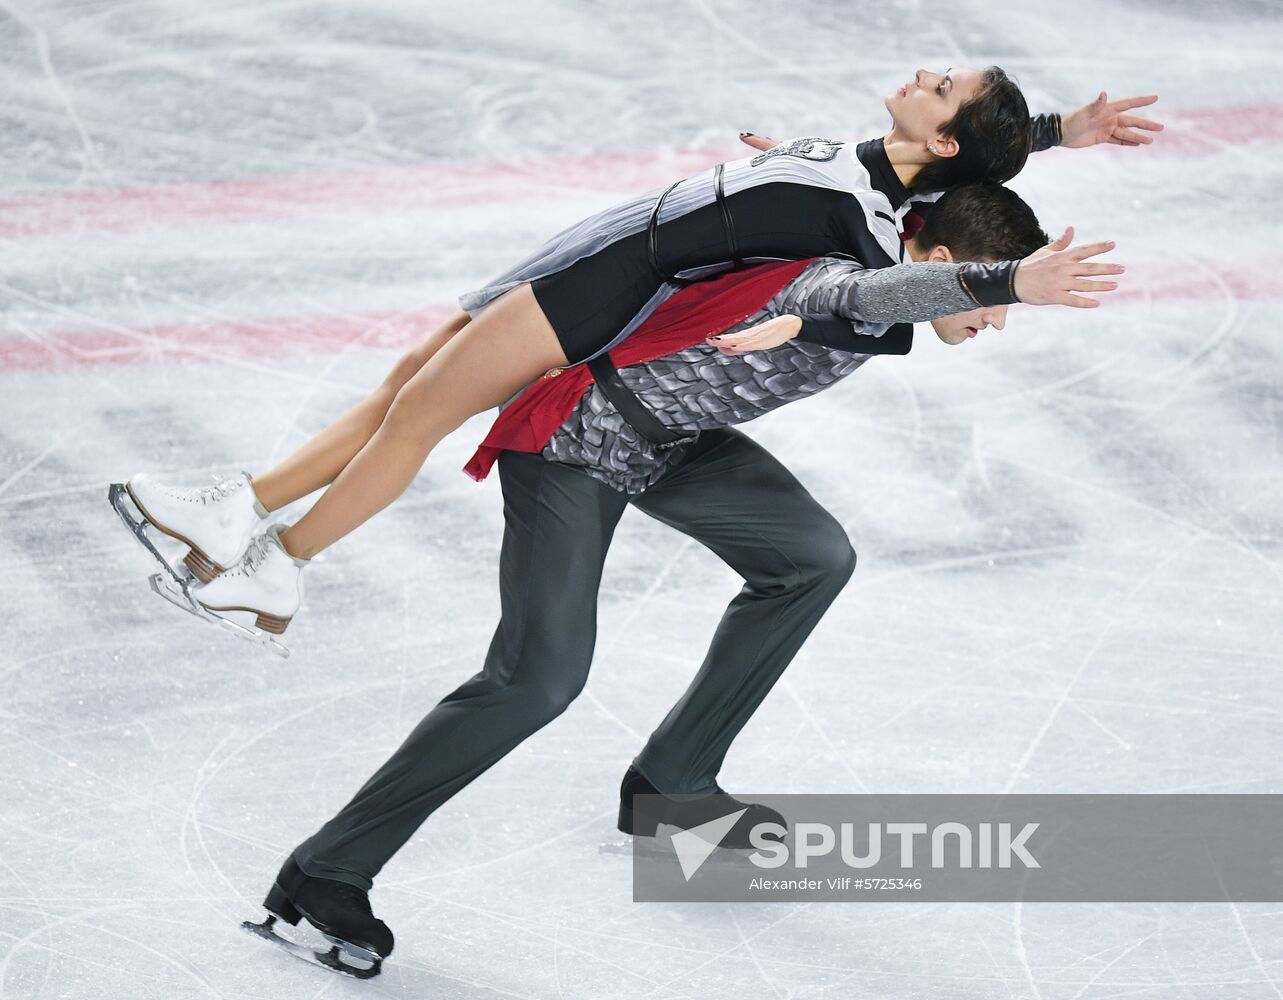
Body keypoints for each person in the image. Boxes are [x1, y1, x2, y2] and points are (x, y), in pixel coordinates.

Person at [234, 182, 1122, 976]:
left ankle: (671, 787)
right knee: (536, 680)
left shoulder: (876, 248)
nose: (1000, 321)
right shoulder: (840, 280)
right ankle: (326, 869)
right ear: (934, 260)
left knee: (810, 558)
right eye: (989, 294)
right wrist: (1003, 280)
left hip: (672, 442)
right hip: (578, 441)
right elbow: (868, 294)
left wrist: (1052, 135)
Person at [118, 70, 1162, 640]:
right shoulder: (884, 160)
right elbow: (975, 155)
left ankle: (285, 568)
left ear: (939, 145)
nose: (929, 74)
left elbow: (905, 279)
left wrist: (1005, 283)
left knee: (418, 416)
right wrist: (1063, 128)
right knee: (404, 383)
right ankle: (242, 505)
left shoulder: (881, 222)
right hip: (602, 239)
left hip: (610, 286)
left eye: (945, 90)